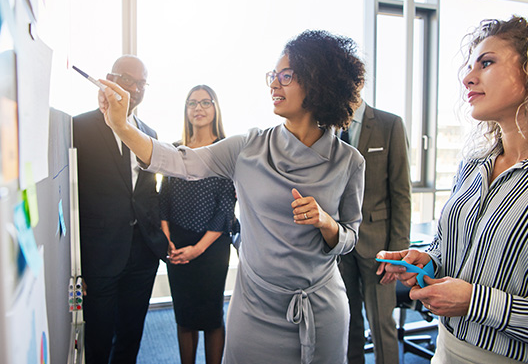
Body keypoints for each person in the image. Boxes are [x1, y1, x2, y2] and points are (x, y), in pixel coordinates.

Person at [98, 30, 366, 364]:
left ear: (318, 83)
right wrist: (122, 127)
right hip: (256, 308)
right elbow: (178, 161)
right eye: (273, 75)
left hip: (321, 309)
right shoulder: (247, 148)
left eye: (286, 76)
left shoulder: (349, 161)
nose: (274, 85)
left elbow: (350, 238)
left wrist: (326, 223)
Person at [377, 15, 528, 363]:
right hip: (446, 348)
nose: (468, 77)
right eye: (470, 66)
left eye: (487, 63)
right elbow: (450, 248)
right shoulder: (474, 163)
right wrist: (428, 261)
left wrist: (475, 301)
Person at [73, 55, 168, 364]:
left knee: (131, 334)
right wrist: (77, 264)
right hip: (100, 255)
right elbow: (72, 197)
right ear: (109, 78)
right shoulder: (80, 127)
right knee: (98, 338)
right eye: (127, 79)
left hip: (142, 251)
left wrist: (158, 235)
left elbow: (147, 192)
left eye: (141, 83)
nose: (135, 88)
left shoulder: (149, 134)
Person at [160, 85, 237, 364]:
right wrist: (167, 240)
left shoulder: (226, 150)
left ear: (215, 108)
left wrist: (198, 249)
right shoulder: (175, 149)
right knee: (184, 316)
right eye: (192, 103)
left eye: (206, 102)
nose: (198, 108)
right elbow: (164, 198)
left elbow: (226, 208)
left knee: (212, 317)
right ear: (186, 110)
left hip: (212, 245)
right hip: (176, 244)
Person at [338, 88, 411, 364]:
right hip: (339, 243)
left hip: (379, 246)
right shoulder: (326, 126)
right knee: (347, 322)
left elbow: (401, 193)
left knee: (381, 324)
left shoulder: (389, 124)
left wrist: (398, 252)